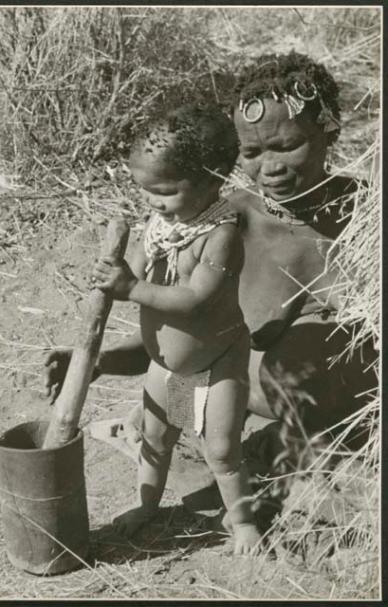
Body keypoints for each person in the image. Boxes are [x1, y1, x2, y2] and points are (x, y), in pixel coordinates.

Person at [46, 52, 377, 522]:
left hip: (327, 411)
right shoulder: (224, 224)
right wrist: (101, 361)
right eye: (253, 153)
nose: (272, 168)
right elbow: (184, 334)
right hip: (226, 382)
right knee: (179, 406)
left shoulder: (364, 220)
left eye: (289, 145)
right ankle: (178, 469)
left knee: (291, 365)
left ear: (330, 132)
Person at [47, 104, 263, 554]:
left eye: (164, 191)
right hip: (171, 367)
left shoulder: (219, 234)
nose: (152, 201)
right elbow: (137, 270)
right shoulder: (163, 224)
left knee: (221, 451)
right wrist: (114, 273)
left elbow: (196, 299)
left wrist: (130, 287)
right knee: (156, 439)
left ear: (212, 179)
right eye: (145, 191)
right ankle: (147, 506)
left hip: (215, 364)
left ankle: (241, 522)